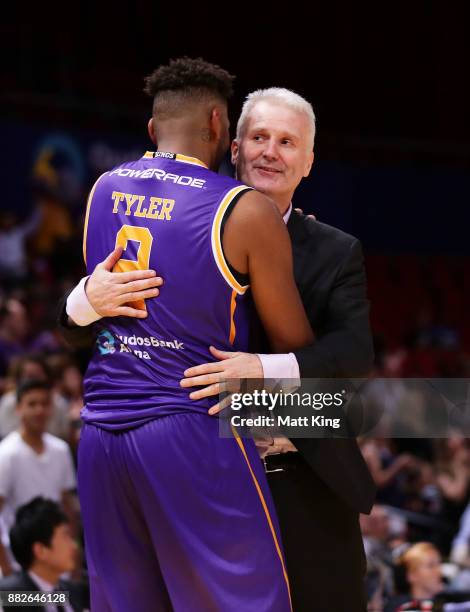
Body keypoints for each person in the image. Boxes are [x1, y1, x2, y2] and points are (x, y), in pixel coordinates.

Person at [63, 86, 376, 611]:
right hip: (197, 471)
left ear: (308, 162)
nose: (271, 151)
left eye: (287, 142)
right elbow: (85, 333)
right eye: (258, 137)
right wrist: (84, 300)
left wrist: (260, 374)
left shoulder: (334, 250)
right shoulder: (179, 216)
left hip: (303, 484)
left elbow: (352, 368)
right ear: (233, 146)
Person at [0, 380, 77, 577]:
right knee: (25, 605)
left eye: (44, 404)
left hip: (58, 562)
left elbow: (67, 505)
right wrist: (5, 567)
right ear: (18, 408)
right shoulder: (6, 454)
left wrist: (73, 556)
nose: (39, 410)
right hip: (19, 563)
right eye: (32, 404)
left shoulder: (60, 449)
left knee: (61, 605)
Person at [0, 496, 88, 612]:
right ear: (40, 550)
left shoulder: (75, 593)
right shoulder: (11, 596)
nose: (73, 546)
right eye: (65, 537)